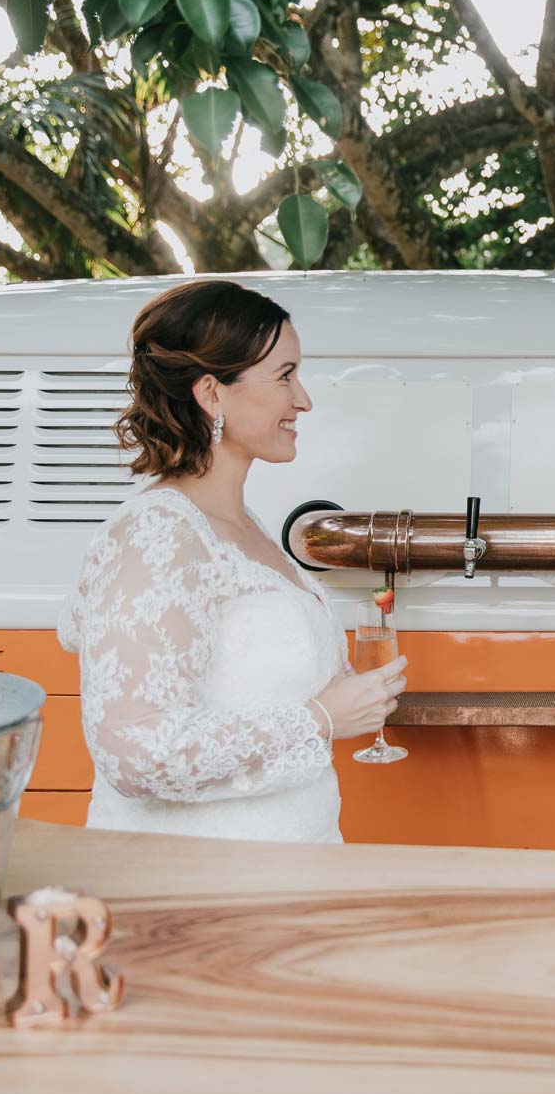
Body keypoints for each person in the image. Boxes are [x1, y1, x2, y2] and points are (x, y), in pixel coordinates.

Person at [57, 280, 406, 843]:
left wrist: (346, 698)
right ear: (212, 394)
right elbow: (134, 754)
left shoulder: (247, 527)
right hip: (202, 880)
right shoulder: (157, 534)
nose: (304, 399)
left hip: (295, 864)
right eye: (285, 375)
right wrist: (318, 719)